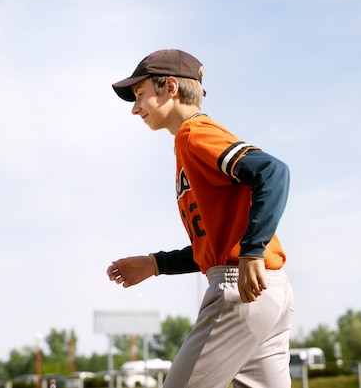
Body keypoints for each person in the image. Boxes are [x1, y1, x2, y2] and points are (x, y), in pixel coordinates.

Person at [107, 49, 294, 388]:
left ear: (170, 88)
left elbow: (272, 171)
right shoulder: (190, 142)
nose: (135, 108)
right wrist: (155, 264)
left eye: (140, 95)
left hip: (241, 287)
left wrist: (252, 250)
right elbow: (216, 242)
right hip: (269, 291)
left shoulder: (193, 134)